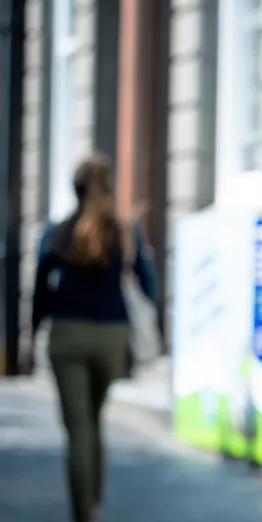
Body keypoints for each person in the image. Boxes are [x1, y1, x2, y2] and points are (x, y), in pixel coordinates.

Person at [21, 152, 159, 522]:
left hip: (68, 337)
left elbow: (40, 292)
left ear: (75, 189)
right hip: (111, 337)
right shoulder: (124, 231)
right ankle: (93, 503)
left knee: (78, 428)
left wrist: (32, 336)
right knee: (94, 421)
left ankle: (86, 513)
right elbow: (148, 284)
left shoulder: (57, 232)